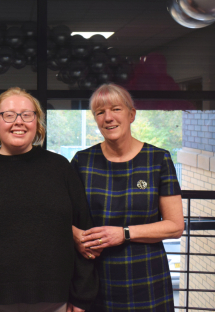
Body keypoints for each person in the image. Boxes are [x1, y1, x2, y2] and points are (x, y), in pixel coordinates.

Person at [0, 87, 98, 312]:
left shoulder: (60, 168)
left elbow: (85, 235)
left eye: (27, 115)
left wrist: (82, 297)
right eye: (9, 115)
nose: (18, 122)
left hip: (54, 302)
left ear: (37, 122)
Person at [70, 83, 184, 312]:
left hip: (147, 280)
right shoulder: (82, 161)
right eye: (100, 112)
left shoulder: (158, 159)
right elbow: (62, 215)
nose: (108, 118)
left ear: (132, 114)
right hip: (94, 280)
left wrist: (124, 234)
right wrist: (76, 236)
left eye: (116, 109)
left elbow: (175, 227)